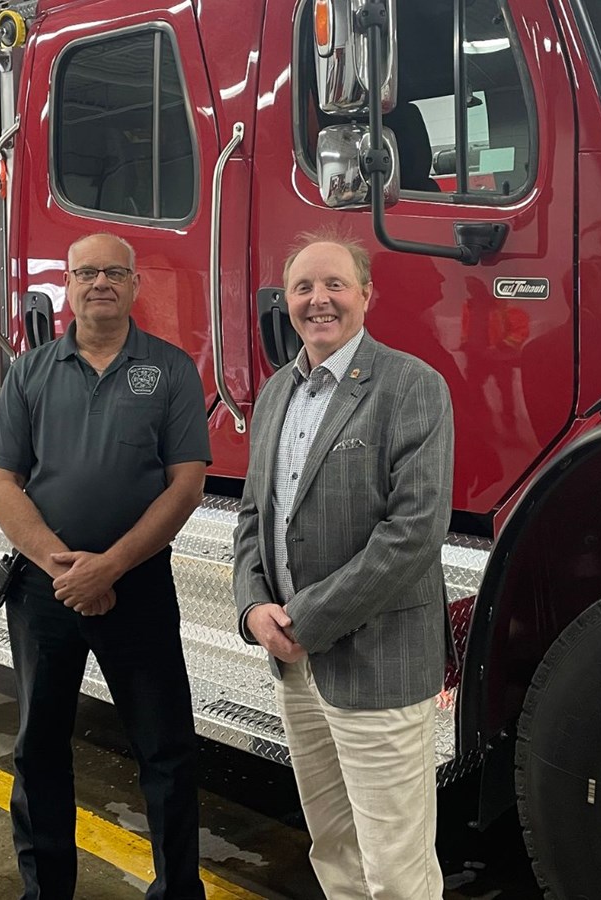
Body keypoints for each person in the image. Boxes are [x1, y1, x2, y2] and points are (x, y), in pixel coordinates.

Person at [0, 232, 211, 900]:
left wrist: (109, 567)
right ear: (69, 286)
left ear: (135, 285)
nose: (100, 283)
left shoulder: (169, 370)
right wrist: (70, 573)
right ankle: (46, 891)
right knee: (39, 749)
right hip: (43, 589)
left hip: (136, 586)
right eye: (86, 272)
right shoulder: (29, 372)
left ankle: (177, 892)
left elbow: (187, 485)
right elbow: (1, 485)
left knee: (166, 751)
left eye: (114, 272)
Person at [233, 231, 455, 899]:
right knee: (332, 848)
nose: (317, 300)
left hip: (378, 663)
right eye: (303, 287)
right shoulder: (275, 394)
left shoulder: (412, 386)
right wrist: (251, 609)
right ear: (287, 302)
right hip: (297, 667)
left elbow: (414, 532)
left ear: (366, 296)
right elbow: (253, 518)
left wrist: (305, 616)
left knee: (396, 868)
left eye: (334, 285)